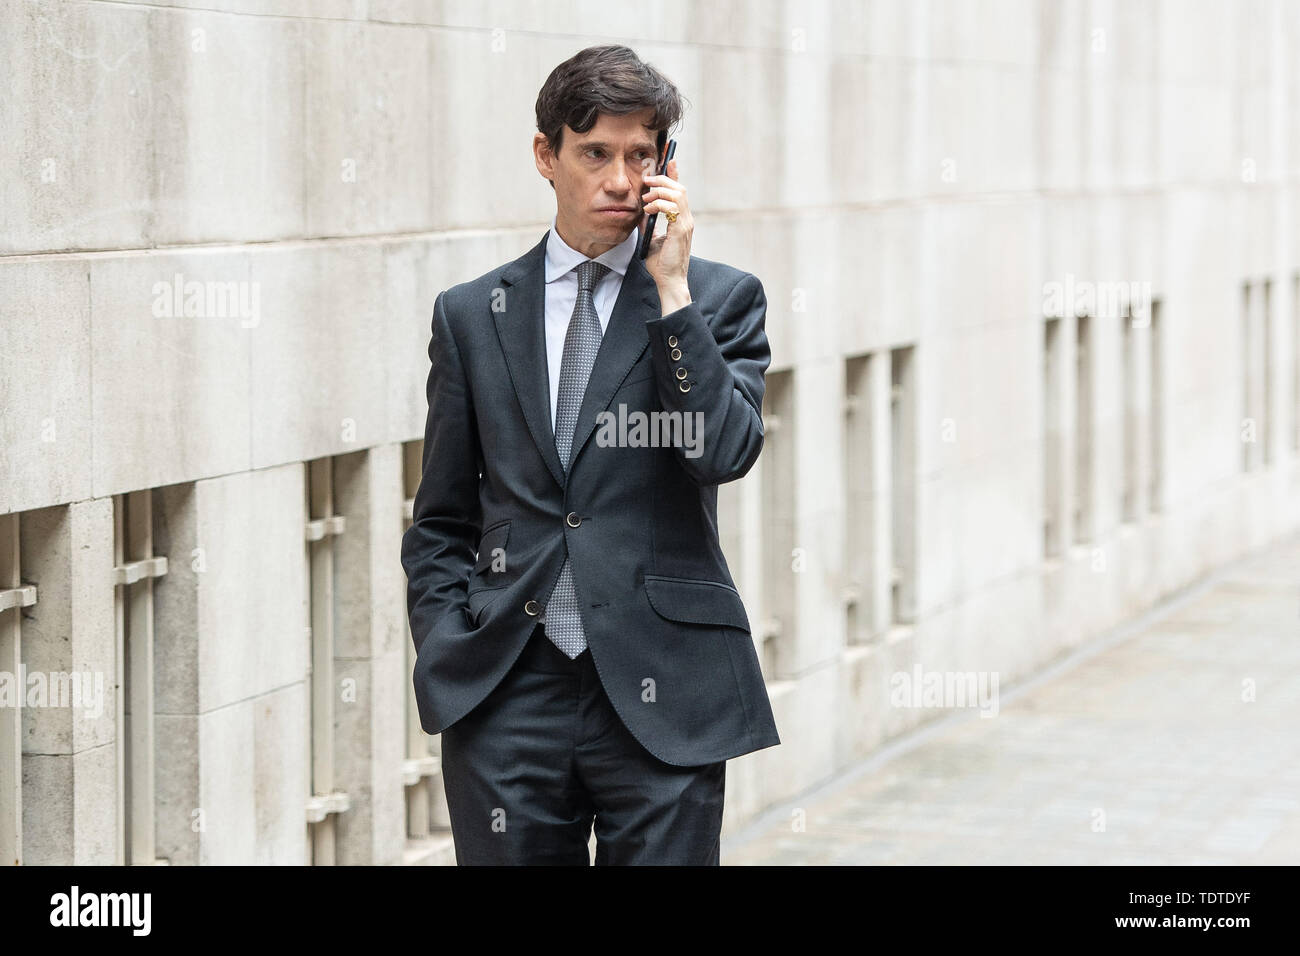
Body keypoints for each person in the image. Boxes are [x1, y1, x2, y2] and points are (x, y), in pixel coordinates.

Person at [401, 43, 779, 865]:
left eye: (641, 155)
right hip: (508, 691)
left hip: (664, 692)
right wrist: (448, 646)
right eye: (596, 154)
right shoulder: (472, 315)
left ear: (666, 164)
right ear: (548, 156)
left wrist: (672, 293)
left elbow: (725, 451)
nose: (619, 179)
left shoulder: (718, 300)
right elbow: (440, 518)